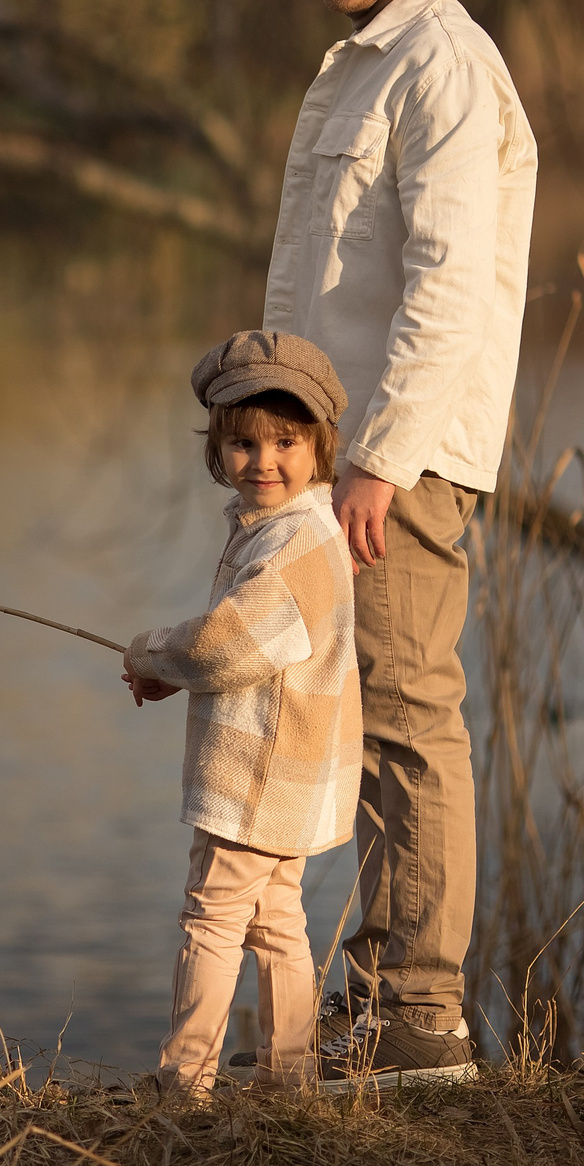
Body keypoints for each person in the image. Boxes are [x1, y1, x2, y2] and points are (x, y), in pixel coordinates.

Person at [263, 0, 537, 1089]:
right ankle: (376, 999)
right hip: (341, 453)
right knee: (363, 717)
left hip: (401, 463)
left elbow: (448, 287)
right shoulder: (361, 62)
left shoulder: (443, 66)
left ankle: (417, 1016)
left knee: (409, 712)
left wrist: (380, 459)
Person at [119, 330, 361, 1097]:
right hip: (289, 776)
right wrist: (176, 675)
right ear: (217, 447)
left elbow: (224, 644)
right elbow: (246, 652)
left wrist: (152, 653)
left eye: (285, 441)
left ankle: (184, 1078)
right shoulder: (294, 527)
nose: (263, 461)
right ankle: (290, 1075)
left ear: (319, 444)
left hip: (258, 777)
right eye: (243, 442)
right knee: (275, 917)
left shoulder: (291, 546)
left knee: (211, 916)